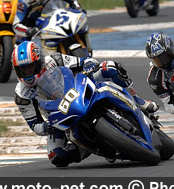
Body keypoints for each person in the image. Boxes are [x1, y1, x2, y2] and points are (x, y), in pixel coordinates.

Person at [12, 41, 159, 167]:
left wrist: (88, 63)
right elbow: (34, 124)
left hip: (78, 89)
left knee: (110, 67)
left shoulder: (54, 60)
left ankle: (138, 102)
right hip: (57, 116)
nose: (27, 73)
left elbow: (80, 63)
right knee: (56, 156)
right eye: (22, 70)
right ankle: (99, 147)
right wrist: (46, 127)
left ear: (39, 62)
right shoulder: (21, 95)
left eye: (30, 67)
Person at [12, 0, 87, 47]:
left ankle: (87, 48)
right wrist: (28, 31)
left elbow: (72, 0)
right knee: (20, 42)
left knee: (82, 27)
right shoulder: (24, 0)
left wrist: (79, 8)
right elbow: (16, 24)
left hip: (54, 13)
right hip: (33, 21)